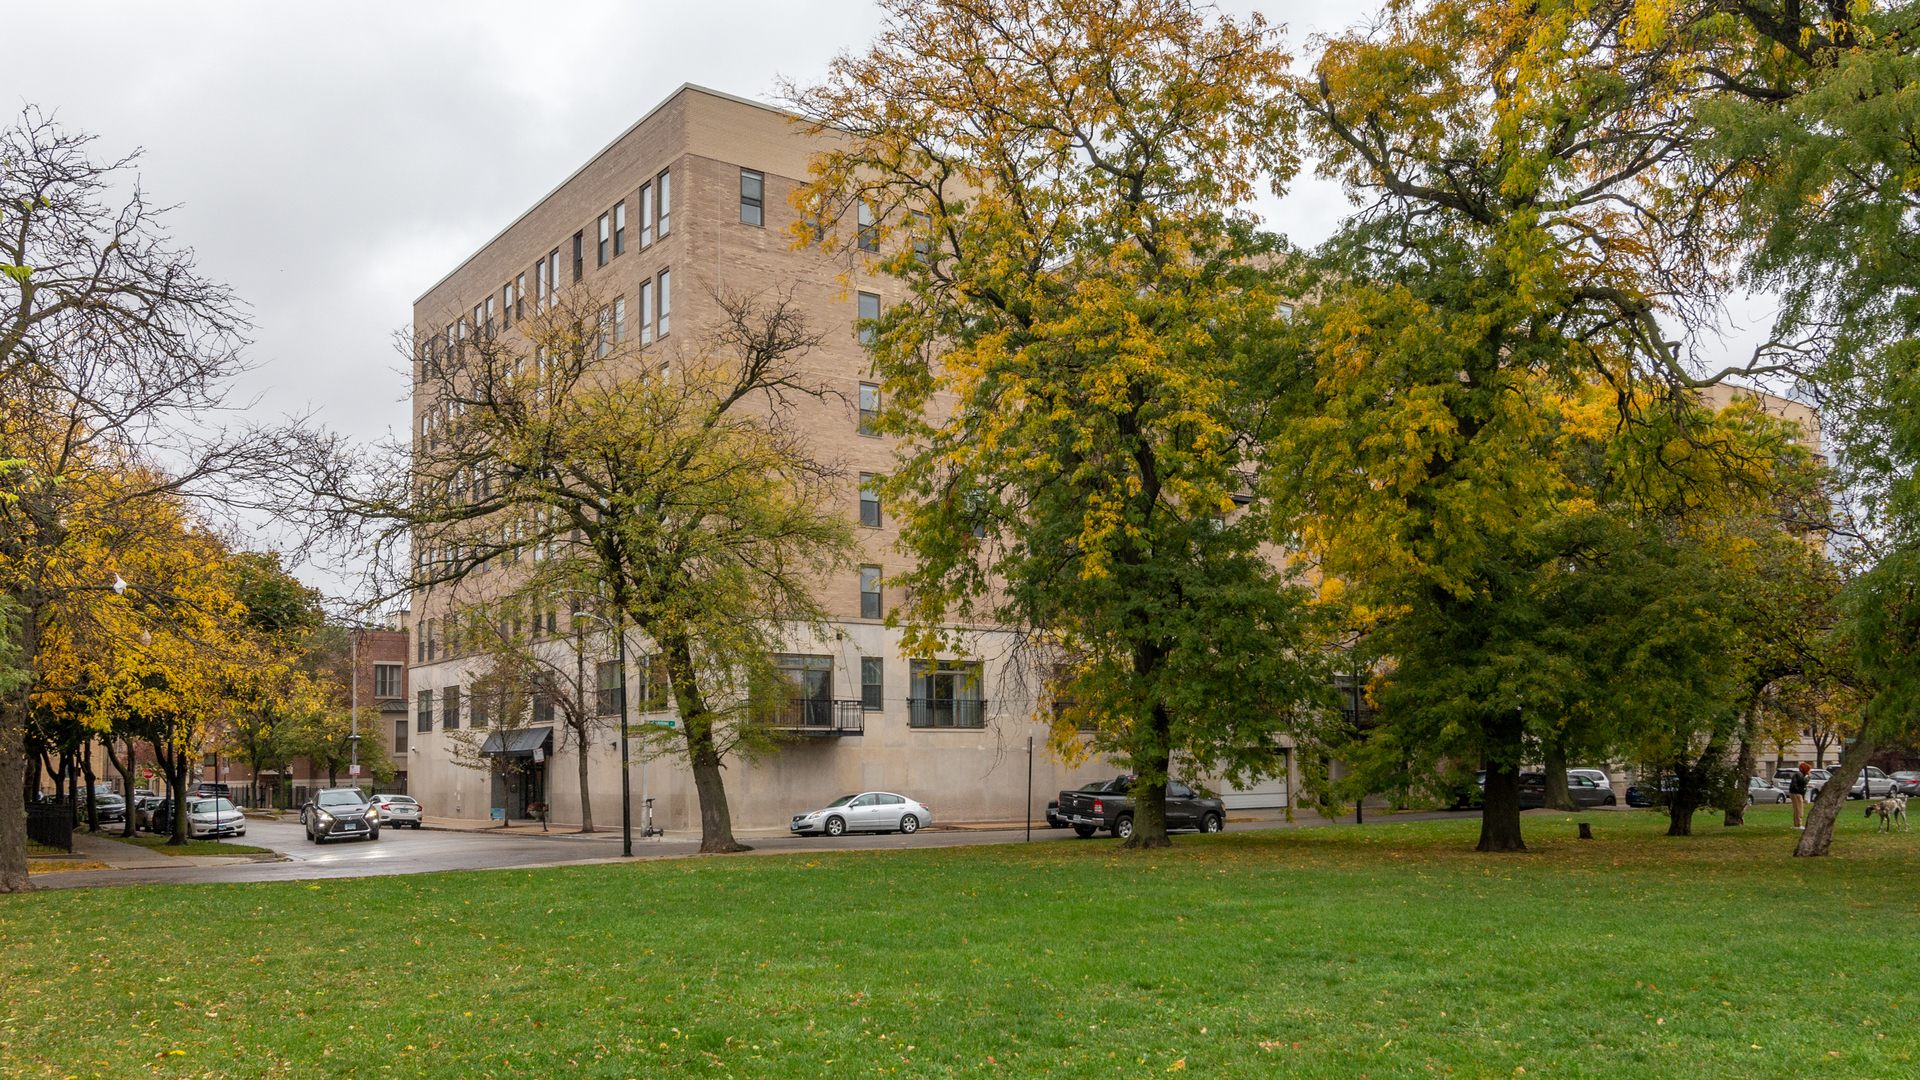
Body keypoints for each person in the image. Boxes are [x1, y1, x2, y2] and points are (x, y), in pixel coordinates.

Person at [1790, 761, 1812, 830]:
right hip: (1797, 793)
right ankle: (1799, 824)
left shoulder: (1798, 774)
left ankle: (1796, 824)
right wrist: (1808, 777)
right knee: (1799, 809)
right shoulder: (1800, 774)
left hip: (1794, 792)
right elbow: (1803, 782)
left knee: (1796, 809)